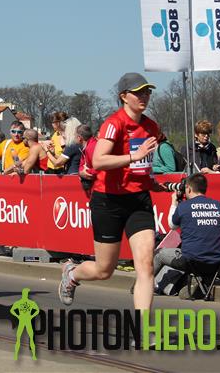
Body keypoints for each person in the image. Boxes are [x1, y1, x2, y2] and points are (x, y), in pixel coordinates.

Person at [59, 72, 163, 311]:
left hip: (138, 200)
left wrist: (149, 180)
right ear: (124, 96)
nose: (144, 96)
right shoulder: (114, 123)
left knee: (146, 265)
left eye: (147, 92)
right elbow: (98, 160)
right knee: (104, 270)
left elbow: (143, 165)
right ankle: (72, 274)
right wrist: (133, 156)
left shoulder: (151, 126)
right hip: (108, 200)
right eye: (138, 92)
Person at [155, 174, 220, 293]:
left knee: (159, 254)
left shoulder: (184, 206)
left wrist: (174, 203)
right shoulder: (218, 206)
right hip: (216, 262)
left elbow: (172, 225)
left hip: (192, 261)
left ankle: (141, 284)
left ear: (188, 188)